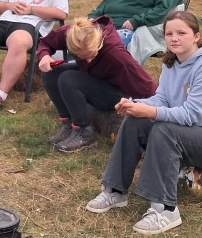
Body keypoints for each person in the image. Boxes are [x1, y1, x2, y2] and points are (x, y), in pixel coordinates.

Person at [86, 11, 202, 235]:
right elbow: (162, 99)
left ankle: (165, 209)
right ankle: (115, 190)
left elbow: (191, 115)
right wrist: (134, 105)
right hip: (189, 133)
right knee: (134, 121)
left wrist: (149, 111)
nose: (174, 38)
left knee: (164, 130)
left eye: (181, 33)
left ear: (196, 36)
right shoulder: (171, 63)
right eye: (169, 34)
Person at [37, 17, 157, 152]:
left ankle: (84, 131)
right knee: (51, 73)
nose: (89, 60)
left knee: (68, 79)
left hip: (115, 93)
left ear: (98, 44)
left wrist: (157, 111)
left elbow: (147, 87)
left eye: (92, 55)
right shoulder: (72, 34)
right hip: (94, 77)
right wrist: (44, 55)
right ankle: (68, 123)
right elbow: (45, 42)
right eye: (82, 57)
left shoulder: (116, 55)